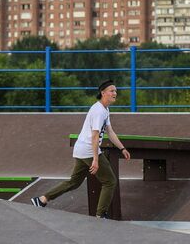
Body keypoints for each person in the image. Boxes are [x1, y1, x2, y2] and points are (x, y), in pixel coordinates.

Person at [31, 79, 131, 218]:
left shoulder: (104, 109)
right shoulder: (98, 111)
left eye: (115, 91)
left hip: (81, 149)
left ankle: (42, 199)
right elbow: (95, 135)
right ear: (103, 93)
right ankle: (100, 215)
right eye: (112, 91)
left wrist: (122, 148)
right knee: (110, 181)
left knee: (74, 182)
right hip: (89, 150)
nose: (115, 93)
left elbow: (110, 131)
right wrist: (96, 159)